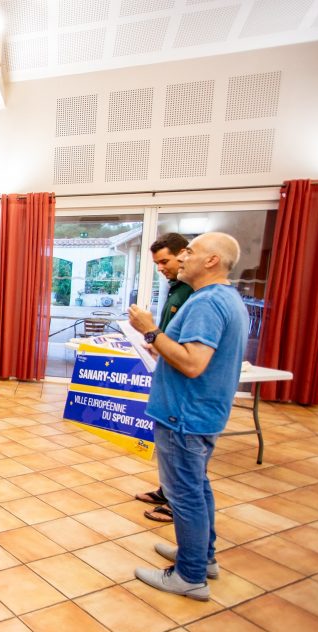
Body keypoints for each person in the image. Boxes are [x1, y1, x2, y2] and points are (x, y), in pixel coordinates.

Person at [128, 233, 248, 601]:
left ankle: (189, 575)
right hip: (201, 412)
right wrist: (160, 342)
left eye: (190, 252)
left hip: (184, 414)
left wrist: (149, 329)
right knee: (198, 488)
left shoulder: (207, 303)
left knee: (185, 496)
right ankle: (201, 556)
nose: (183, 258)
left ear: (212, 260)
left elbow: (193, 363)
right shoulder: (226, 298)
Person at [135, 233, 194, 524]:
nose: (160, 268)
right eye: (157, 263)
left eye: (164, 261)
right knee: (167, 446)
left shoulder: (193, 293)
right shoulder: (176, 288)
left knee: (181, 452)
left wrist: (153, 335)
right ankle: (166, 490)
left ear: (184, 254)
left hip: (182, 383)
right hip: (166, 369)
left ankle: (175, 501)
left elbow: (189, 349)